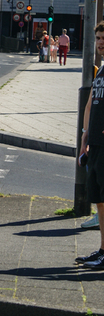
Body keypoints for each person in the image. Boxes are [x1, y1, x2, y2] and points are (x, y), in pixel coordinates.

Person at [76, 21, 104, 269]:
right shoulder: (101, 71)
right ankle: (103, 250)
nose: (100, 43)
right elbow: (90, 105)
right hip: (95, 145)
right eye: (98, 38)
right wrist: (84, 137)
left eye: (103, 38)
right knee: (99, 200)